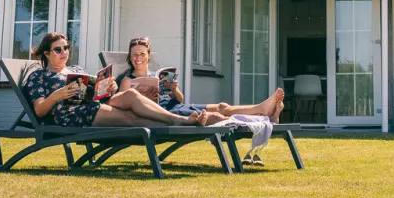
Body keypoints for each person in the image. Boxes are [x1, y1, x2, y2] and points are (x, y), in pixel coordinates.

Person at [21, 32, 210, 128]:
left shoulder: (76, 70)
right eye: (58, 49)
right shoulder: (39, 77)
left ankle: (178, 120)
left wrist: (108, 87)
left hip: (94, 104)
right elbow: (39, 110)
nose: (64, 53)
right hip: (72, 114)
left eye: (66, 47)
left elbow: (91, 92)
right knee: (130, 119)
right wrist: (57, 95)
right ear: (46, 53)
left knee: (130, 94)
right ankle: (180, 124)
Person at [116, 36, 284, 121]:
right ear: (130, 57)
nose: (138, 58)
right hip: (168, 114)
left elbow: (180, 99)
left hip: (178, 106)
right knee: (218, 118)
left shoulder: (158, 76)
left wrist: (174, 89)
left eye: (142, 54)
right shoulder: (127, 80)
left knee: (222, 106)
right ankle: (261, 116)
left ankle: (263, 110)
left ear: (149, 56)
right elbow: (125, 106)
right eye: (134, 55)